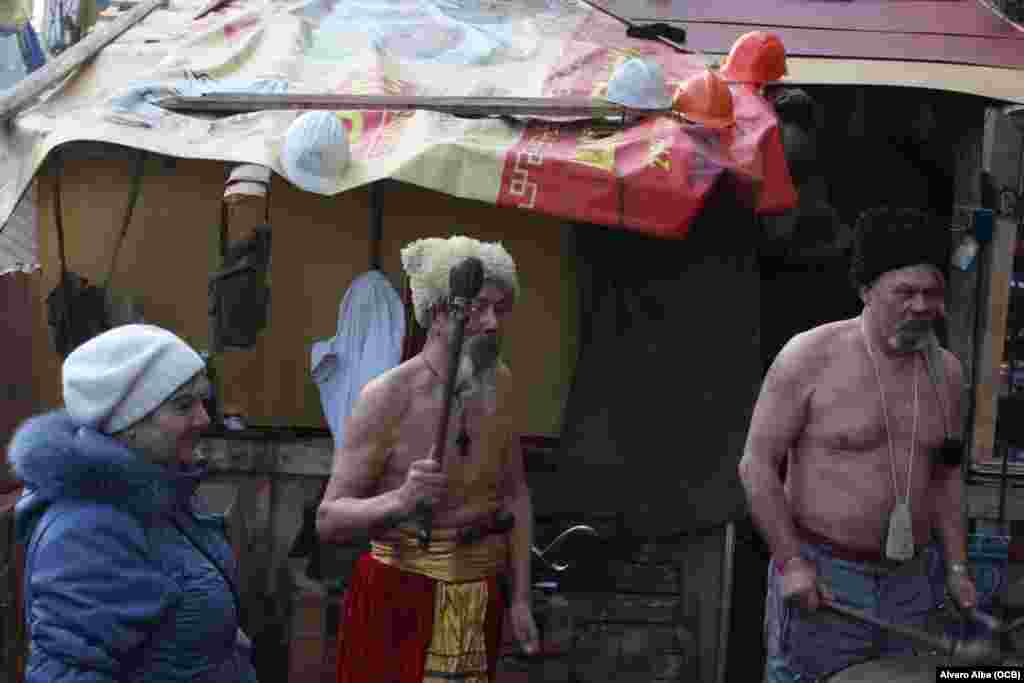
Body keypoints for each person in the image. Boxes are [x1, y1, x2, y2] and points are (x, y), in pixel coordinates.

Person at [739, 207, 978, 681]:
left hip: (912, 582)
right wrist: (790, 562)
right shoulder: (808, 358)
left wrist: (956, 567)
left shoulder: (948, 375)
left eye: (931, 293)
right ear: (867, 291)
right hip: (827, 574)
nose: (920, 306)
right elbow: (757, 465)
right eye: (904, 292)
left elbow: (948, 475)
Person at [317, 235, 539, 682]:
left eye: (500, 308)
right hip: (400, 596)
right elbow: (328, 520)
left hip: (480, 594)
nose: (493, 323)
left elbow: (515, 495)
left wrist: (520, 598)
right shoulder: (386, 397)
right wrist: (400, 501)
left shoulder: (502, 384)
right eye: (478, 308)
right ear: (439, 313)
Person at [7, 324, 257, 683]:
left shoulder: (162, 493)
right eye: (184, 405)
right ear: (129, 423)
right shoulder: (87, 531)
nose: (204, 418)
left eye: (204, 401)